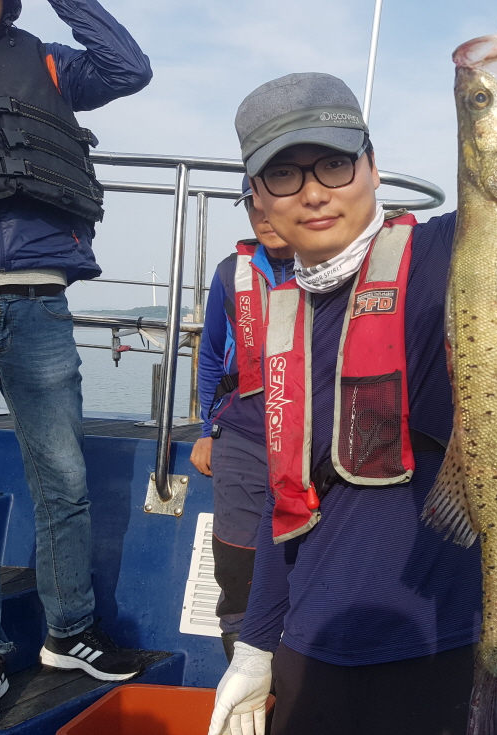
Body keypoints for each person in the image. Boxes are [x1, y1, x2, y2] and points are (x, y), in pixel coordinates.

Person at [206, 2, 497, 733]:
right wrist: (258, 644)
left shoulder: (455, 253)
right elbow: (282, 502)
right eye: (283, 175)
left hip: (445, 639)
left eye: (334, 163)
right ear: (257, 199)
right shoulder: (280, 319)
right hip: (311, 647)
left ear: (372, 166)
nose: (315, 191)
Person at [0, 0, 151, 730]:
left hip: (40, 302)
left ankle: (70, 633)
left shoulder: (49, 60)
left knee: (65, 479)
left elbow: (128, 69)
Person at [190, 176, 295, 661]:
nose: (264, 216)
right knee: (236, 565)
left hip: (310, 438)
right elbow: (212, 356)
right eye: (253, 207)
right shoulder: (229, 273)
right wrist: (207, 431)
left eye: (273, 204)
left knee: (309, 560)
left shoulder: (332, 267)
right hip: (241, 434)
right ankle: (244, 666)